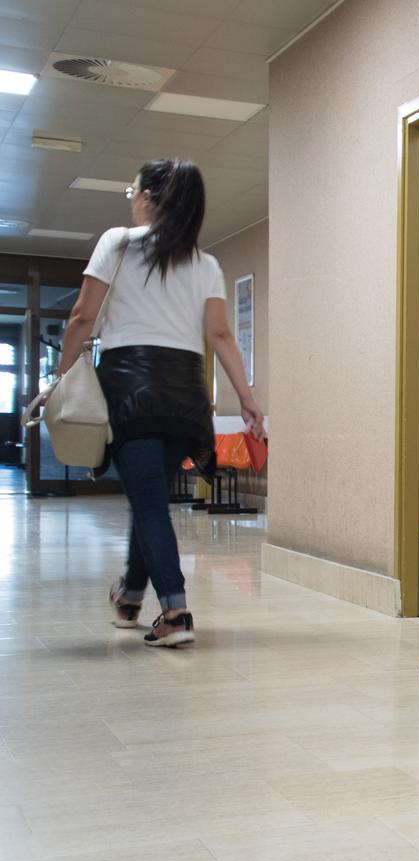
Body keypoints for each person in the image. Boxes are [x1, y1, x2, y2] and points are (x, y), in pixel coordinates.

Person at [58, 158, 264, 648]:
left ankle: (175, 612)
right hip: (187, 397)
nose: (131, 199)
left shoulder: (118, 243)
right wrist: (246, 397)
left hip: (131, 390)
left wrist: (63, 379)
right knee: (148, 497)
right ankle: (130, 596)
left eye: (133, 191)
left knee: (149, 501)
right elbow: (220, 335)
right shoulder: (205, 263)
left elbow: (82, 316)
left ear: (149, 198)